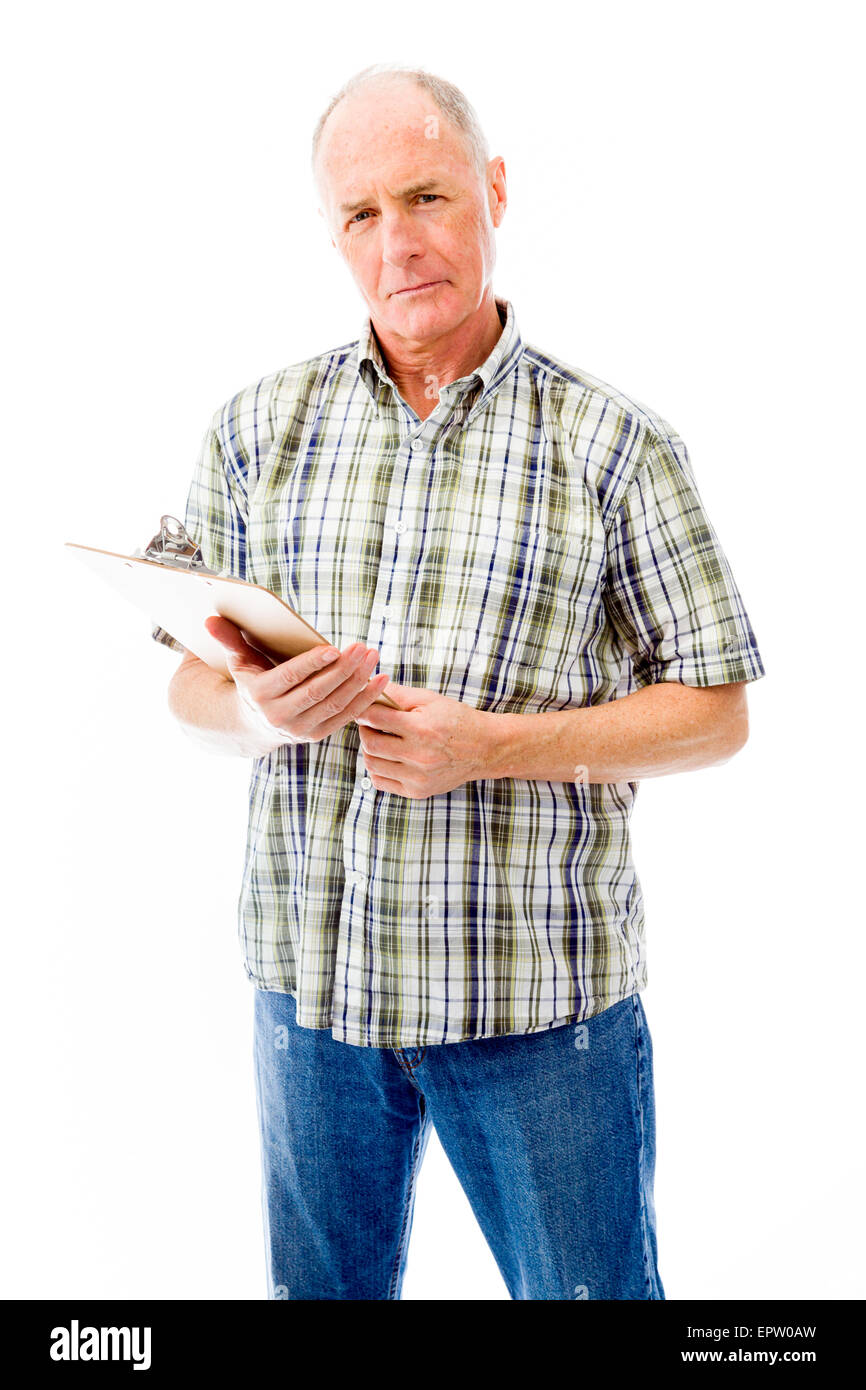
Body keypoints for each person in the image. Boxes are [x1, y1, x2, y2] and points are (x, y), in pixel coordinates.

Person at [152, 62, 765, 1301]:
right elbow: (187, 684)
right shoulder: (253, 429)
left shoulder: (614, 446)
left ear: (491, 190)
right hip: (308, 1002)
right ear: (332, 235)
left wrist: (488, 745)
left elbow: (716, 711)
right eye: (361, 215)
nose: (399, 243)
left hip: (537, 1015)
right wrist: (258, 709)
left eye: (425, 196)